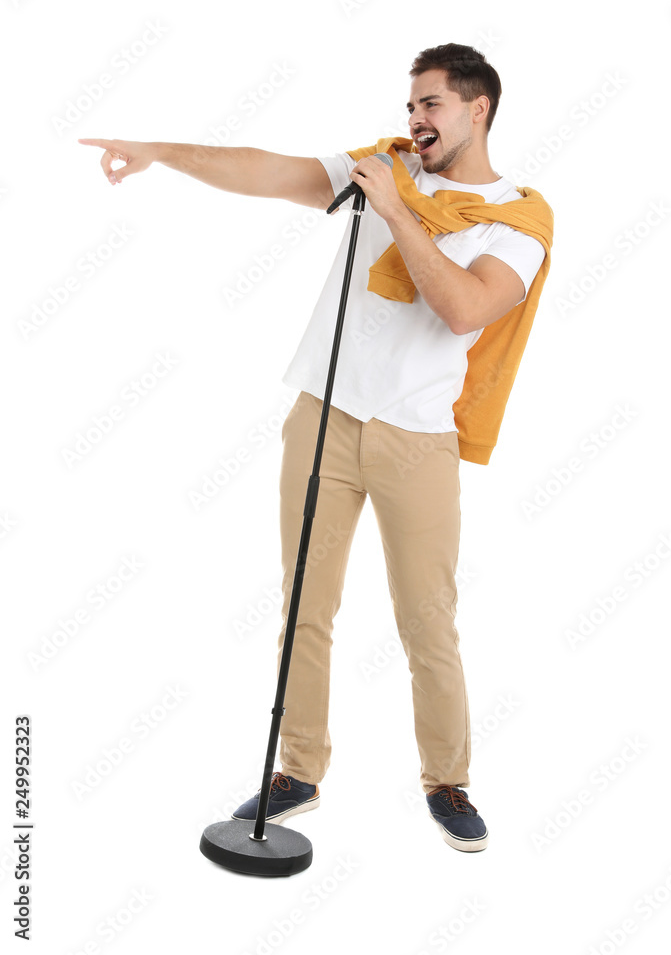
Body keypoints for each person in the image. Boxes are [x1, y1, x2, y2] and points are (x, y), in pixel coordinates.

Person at [79, 43, 552, 854]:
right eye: (410, 106)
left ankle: (446, 781)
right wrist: (164, 153)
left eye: (431, 105)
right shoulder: (381, 167)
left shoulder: (518, 216)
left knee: (426, 623)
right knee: (303, 606)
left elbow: (464, 310)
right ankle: (298, 770)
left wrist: (400, 210)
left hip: (418, 440)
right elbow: (268, 170)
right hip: (324, 416)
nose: (415, 121)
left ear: (478, 110)